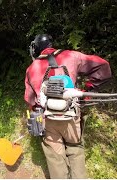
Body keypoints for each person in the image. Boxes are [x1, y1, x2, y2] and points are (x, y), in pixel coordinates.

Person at [24, 34, 112, 178]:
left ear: (36, 48)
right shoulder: (71, 56)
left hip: (48, 120)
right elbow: (103, 66)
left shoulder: (31, 68)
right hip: (71, 115)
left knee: (55, 158)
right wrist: (87, 91)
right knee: (75, 150)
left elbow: (30, 100)